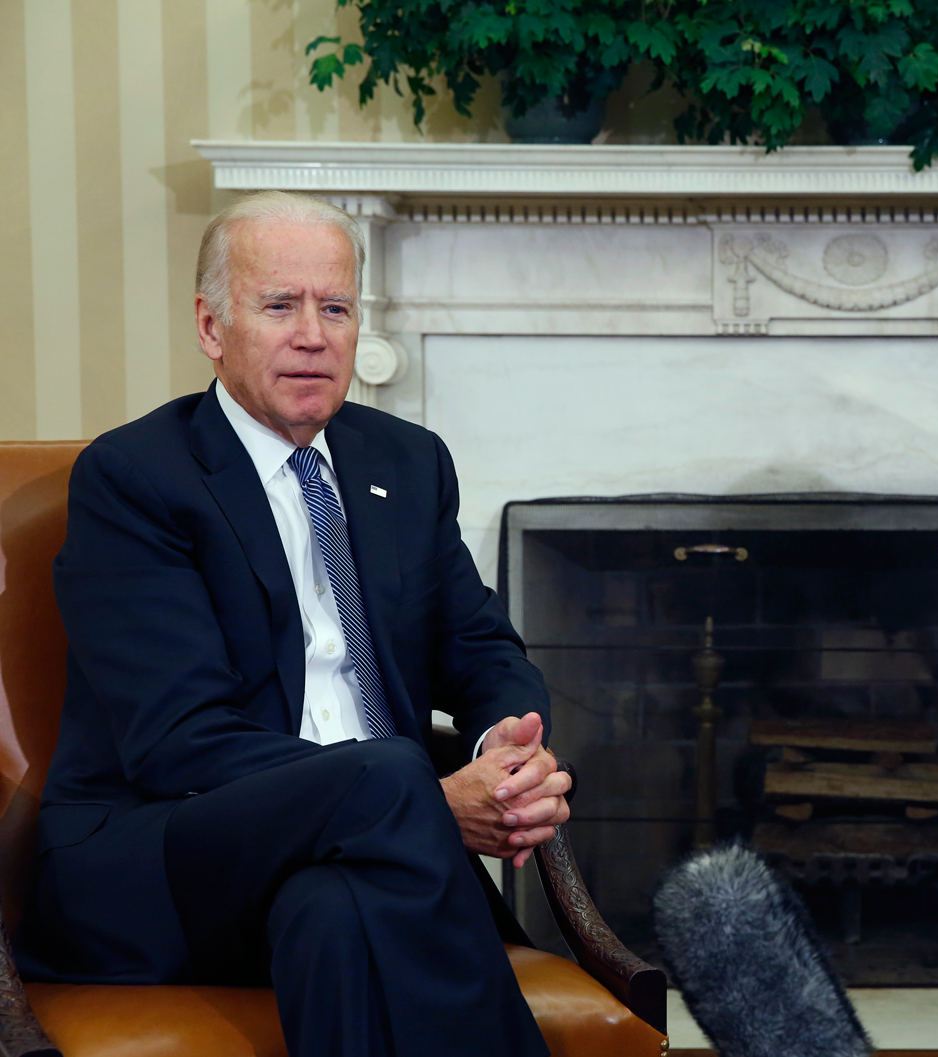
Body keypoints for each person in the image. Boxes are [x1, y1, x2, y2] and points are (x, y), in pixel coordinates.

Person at [17, 191, 568, 1057]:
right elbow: (179, 740)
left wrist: (507, 748)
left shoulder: (407, 462)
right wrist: (423, 802)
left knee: (332, 913)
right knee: (387, 772)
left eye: (336, 307)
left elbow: (482, 646)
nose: (314, 334)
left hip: (350, 863)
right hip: (171, 849)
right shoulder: (134, 479)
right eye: (280, 305)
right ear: (211, 326)